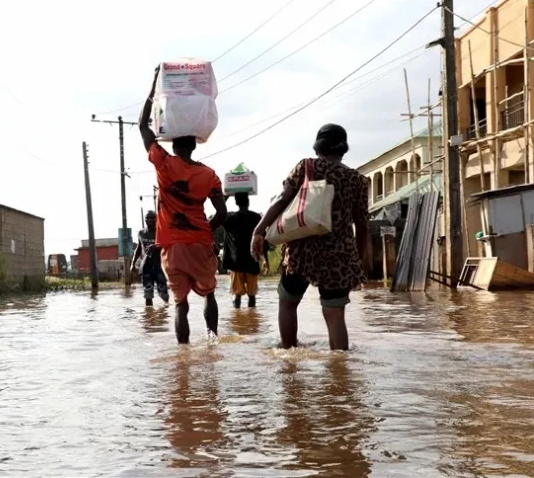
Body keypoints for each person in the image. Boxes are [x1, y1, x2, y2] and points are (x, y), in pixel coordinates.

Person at [250, 124, 370, 351]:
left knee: (287, 303)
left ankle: (288, 356)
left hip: (302, 253)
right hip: (340, 257)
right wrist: (360, 261)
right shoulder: (358, 180)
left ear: (318, 146)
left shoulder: (307, 167)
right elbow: (362, 225)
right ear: (344, 148)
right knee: (335, 316)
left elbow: (281, 200)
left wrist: (259, 230)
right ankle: (340, 371)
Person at [139, 66, 228, 344]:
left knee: (180, 305)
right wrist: (205, 231)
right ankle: (213, 342)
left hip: (172, 247)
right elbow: (222, 214)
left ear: (174, 145)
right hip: (200, 243)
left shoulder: (164, 164)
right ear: (194, 146)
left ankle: (183, 355)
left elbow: (143, 126)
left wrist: (154, 85)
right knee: (210, 293)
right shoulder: (209, 175)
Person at [222, 192, 264, 309]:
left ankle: (238, 319)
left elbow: (219, 213)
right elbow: (262, 239)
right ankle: (252, 318)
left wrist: (224, 198)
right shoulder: (256, 218)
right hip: (252, 260)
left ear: (236, 202)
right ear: (248, 201)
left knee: (237, 294)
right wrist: (265, 259)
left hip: (236, 262)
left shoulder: (230, 218)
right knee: (252, 295)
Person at [131, 210, 169, 306]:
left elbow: (168, 246)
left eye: (152, 218)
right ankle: (149, 318)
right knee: (148, 294)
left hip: (160, 267)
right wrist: (133, 264)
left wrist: (157, 245)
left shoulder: (161, 232)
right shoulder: (141, 233)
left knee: (163, 293)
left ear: (156, 219)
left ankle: (165, 314)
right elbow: (138, 249)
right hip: (146, 267)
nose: (149, 220)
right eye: (147, 218)